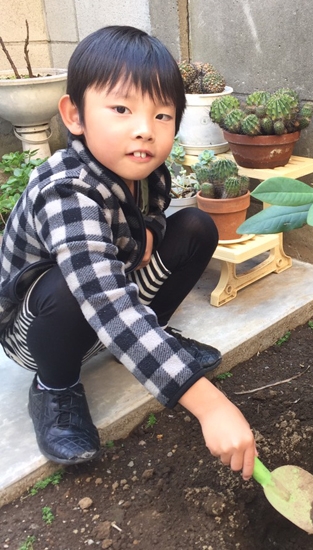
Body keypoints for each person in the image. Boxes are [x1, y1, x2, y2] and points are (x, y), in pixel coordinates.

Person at [0, 26, 256, 479]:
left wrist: (152, 233)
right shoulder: (65, 191)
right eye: (121, 109)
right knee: (70, 284)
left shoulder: (145, 168)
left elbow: (154, 215)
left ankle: (140, 342)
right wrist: (208, 404)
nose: (145, 130)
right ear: (74, 116)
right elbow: (106, 299)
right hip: (36, 330)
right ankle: (54, 389)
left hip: (106, 293)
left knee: (195, 226)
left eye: (163, 115)